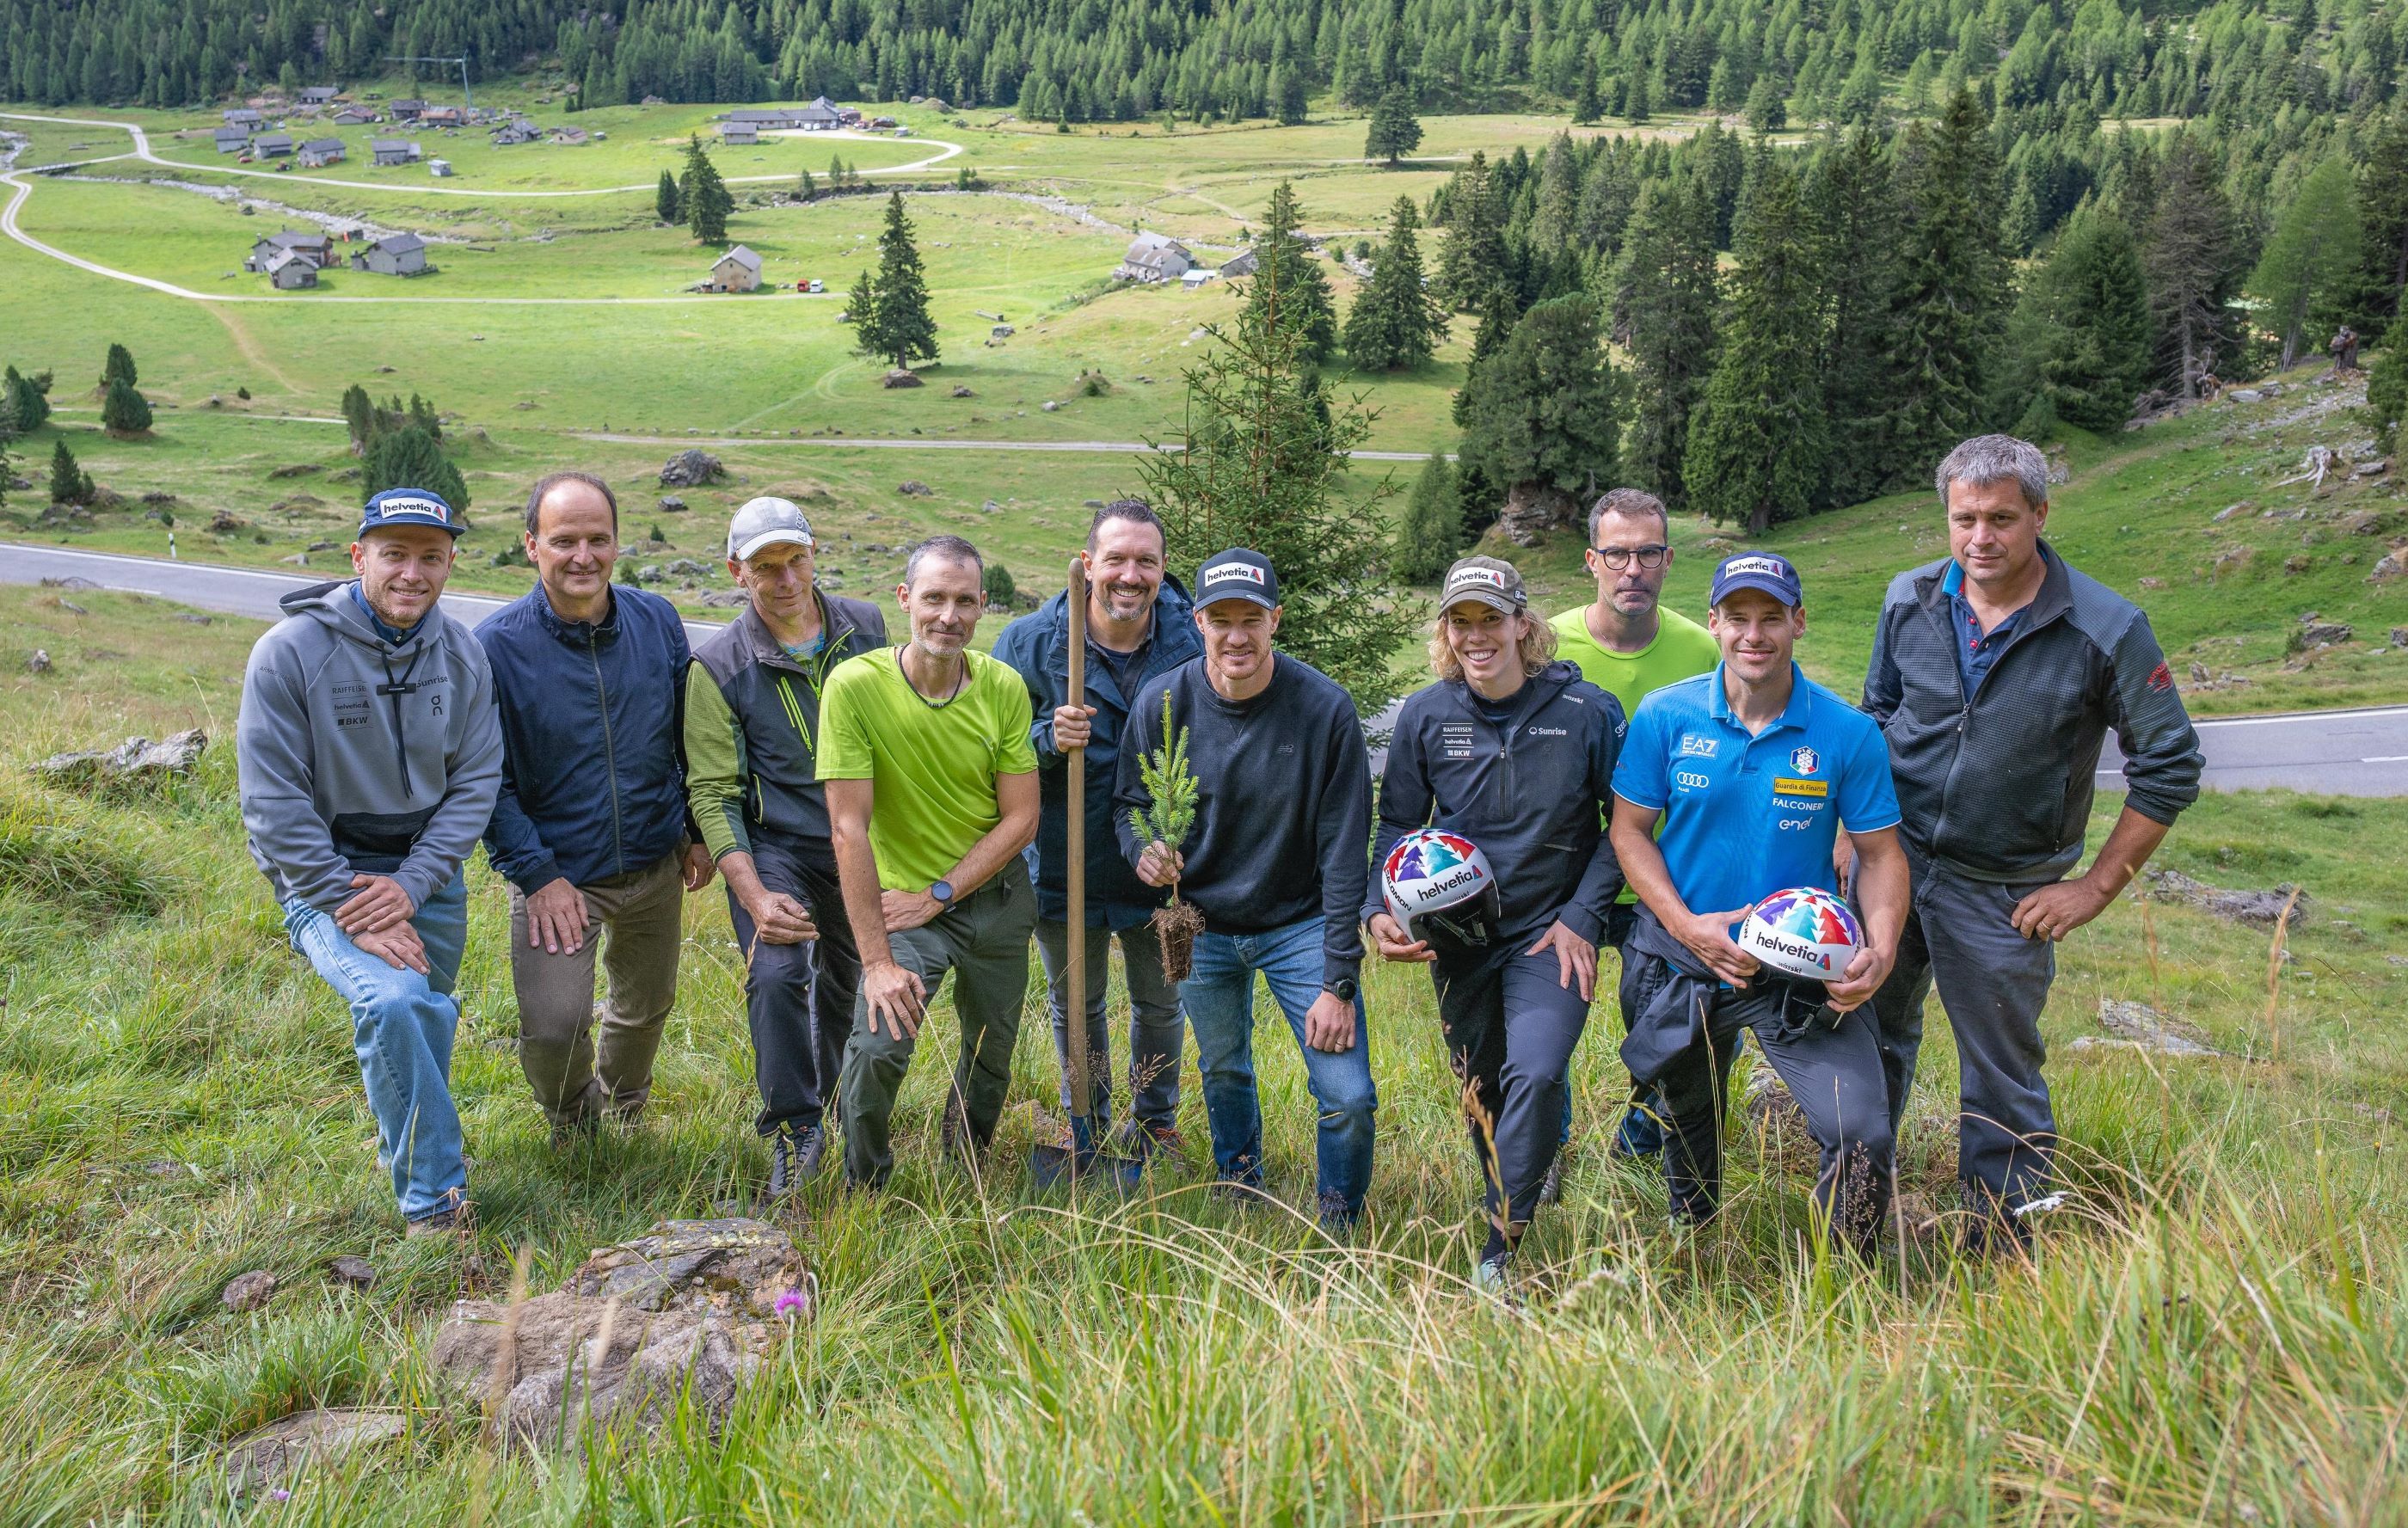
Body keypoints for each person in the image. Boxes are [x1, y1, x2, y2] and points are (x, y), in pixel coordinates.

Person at [1864, 434, 2202, 1249]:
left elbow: (2171, 765)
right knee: (1866, 1037)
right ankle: (1857, 1209)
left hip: (2005, 889)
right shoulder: (1908, 598)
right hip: (1893, 864)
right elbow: (1876, 715)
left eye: (2002, 518)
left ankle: (2004, 1248)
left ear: (2040, 515)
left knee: (2002, 1074)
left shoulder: (2106, 627)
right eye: (1965, 518)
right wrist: (1857, 833)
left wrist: (2094, 888)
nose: (1981, 537)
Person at [1608, 552, 1909, 1257]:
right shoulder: (1666, 714)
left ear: (1798, 622)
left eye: (1770, 617)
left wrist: (1882, 945)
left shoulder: (1847, 732)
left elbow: (1880, 855)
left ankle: (1847, 1276)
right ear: (1713, 623)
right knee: (1690, 1119)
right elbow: (1628, 832)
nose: (1753, 634)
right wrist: (1687, 926)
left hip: (1800, 970)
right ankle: (1695, 1247)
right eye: (1737, 617)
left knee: (1861, 1130)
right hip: (1682, 960)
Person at [236, 488, 501, 1236]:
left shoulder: (464, 654)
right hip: (327, 876)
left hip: (428, 874)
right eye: (394, 554)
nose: (412, 573)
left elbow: (477, 780)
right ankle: (436, 1205)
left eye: (430, 556)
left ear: (450, 563)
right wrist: (347, 901)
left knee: (427, 1017)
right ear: (359, 558)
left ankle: (406, 1153)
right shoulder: (288, 654)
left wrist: (413, 885)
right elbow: (272, 801)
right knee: (394, 1004)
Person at [1370, 556, 1625, 1289]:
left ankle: (1498, 1248)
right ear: (1445, 630)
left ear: (1522, 623)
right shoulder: (1427, 714)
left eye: (1491, 619)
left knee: (1536, 1072)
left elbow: (1628, 827)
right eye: (1461, 622)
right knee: (1482, 1088)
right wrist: (1378, 909)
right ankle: (1515, 1187)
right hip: (1457, 938)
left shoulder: (1587, 711)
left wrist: (1583, 915)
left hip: (1550, 934)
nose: (1476, 636)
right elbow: (1397, 825)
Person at [1117, 549, 1377, 1230]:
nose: (1237, 635)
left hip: (1301, 923)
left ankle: (1339, 1221)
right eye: (1222, 619)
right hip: (1200, 926)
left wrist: (1339, 978)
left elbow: (1345, 851)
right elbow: (1128, 803)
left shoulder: (1323, 709)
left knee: (1347, 1093)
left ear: (1275, 620)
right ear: (1199, 621)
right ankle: (1240, 1185)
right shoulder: (1164, 702)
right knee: (1224, 1066)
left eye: (1252, 619)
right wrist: (1143, 850)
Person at [479, 472, 713, 1144]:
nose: (583, 556)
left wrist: (695, 831)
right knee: (554, 1029)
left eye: (598, 539)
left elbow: (687, 737)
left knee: (646, 1006)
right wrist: (538, 875)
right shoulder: (495, 647)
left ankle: (626, 1107)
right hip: (558, 876)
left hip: (654, 862)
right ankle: (575, 1124)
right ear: (532, 545)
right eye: (564, 541)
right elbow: (485, 780)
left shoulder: (657, 619)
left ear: (616, 542)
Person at [820, 535, 1040, 1189]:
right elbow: (848, 828)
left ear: (982, 607)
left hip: (995, 901)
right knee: (878, 1046)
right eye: (935, 598)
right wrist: (877, 963)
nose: (949, 616)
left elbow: (1022, 817)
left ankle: (965, 1165)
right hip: (902, 907)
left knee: (990, 1051)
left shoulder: (1002, 687)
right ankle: (865, 1183)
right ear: (904, 599)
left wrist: (941, 892)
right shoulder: (856, 687)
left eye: (965, 601)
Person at [686, 496, 889, 1196]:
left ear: (814, 553)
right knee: (776, 974)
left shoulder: (866, 627)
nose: (786, 579)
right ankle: (794, 1129)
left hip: (861, 836)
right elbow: (714, 792)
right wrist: (753, 893)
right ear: (736, 572)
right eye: (766, 566)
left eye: (796, 559)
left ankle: (834, 1103)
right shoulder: (717, 665)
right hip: (778, 846)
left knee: (848, 979)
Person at [992, 499, 1201, 1155]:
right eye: (1115, 559)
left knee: (1161, 1002)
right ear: (1088, 563)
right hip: (1063, 859)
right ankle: (1085, 1120)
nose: (1130, 575)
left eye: (1146, 561)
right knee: (1076, 1004)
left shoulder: (1193, 640)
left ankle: (1154, 1123)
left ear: (1164, 567)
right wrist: (1045, 738)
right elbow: (988, 751)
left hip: (1160, 868)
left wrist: (1181, 836)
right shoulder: (1029, 643)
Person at [1548, 488, 1723, 1174]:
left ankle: (1642, 1142)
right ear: (1591, 559)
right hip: (1566, 873)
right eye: (1617, 554)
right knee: (1543, 1024)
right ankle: (1547, 1147)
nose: (1633, 570)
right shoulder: (1547, 646)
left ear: (1669, 559)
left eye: (1648, 554)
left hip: (1667, 875)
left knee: (1678, 1025)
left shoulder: (1702, 649)